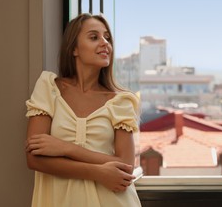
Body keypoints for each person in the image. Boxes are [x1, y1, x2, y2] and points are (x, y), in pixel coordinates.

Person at [25, 13, 142, 207]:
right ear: (74, 49)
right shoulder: (49, 88)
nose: (105, 43)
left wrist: (65, 148)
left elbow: (125, 167)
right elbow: (34, 159)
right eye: (94, 37)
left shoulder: (120, 101)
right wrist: (99, 172)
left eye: (107, 38)